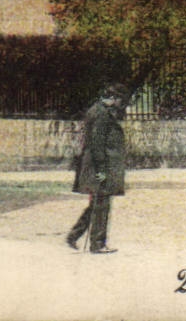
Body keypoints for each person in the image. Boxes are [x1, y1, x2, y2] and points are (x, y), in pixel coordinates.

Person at [66, 82, 128, 253]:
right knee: (102, 204)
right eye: (119, 100)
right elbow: (97, 144)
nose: (120, 104)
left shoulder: (98, 110)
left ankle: (74, 235)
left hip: (95, 165)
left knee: (96, 204)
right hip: (98, 167)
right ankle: (97, 243)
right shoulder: (101, 114)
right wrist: (101, 171)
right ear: (113, 98)